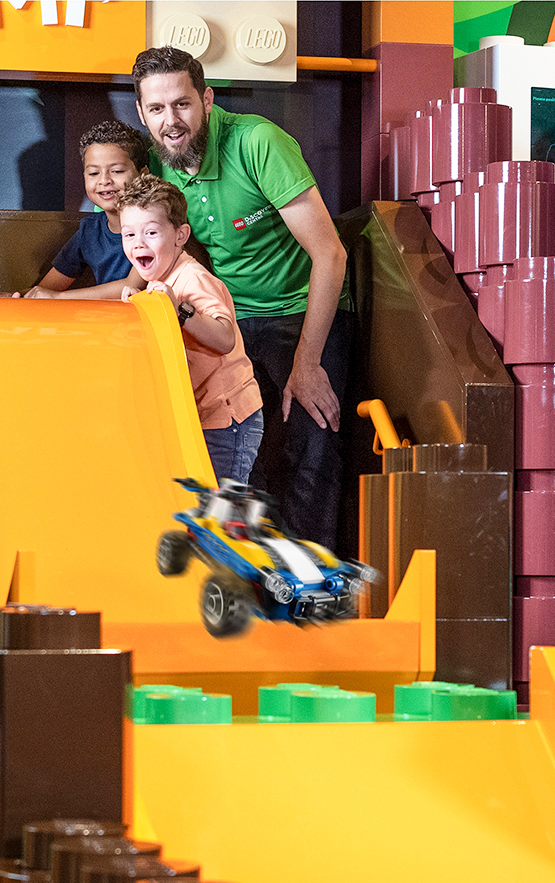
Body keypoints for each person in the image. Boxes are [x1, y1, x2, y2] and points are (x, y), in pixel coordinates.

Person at [131, 46, 352, 548]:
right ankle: (253, 593)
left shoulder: (257, 142)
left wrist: (309, 361)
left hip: (300, 312)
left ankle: (311, 595)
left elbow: (330, 256)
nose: (172, 121)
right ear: (142, 114)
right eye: (158, 109)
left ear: (207, 100)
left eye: (183, 104)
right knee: (245, 460)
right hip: (227, 321)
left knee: (309, 447)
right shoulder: (154, 166)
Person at [115, 174, 263, 484]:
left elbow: (224, 338)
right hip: (202, 418)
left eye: (151, 232)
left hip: (228, 418)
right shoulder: (158, 285)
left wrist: (180, 310)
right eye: (129, 235)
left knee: (220, 512)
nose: (138, 243)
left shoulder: (191, 279)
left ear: (180, 235)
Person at [22, 120, 148, 299]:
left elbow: (131, 287)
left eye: (117, 171)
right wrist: (10, 296)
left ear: (143, 175)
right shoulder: (89, 231)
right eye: (94, 173)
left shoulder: (155, 226)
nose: (104, 180)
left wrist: (57, 298)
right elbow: (46, 289)